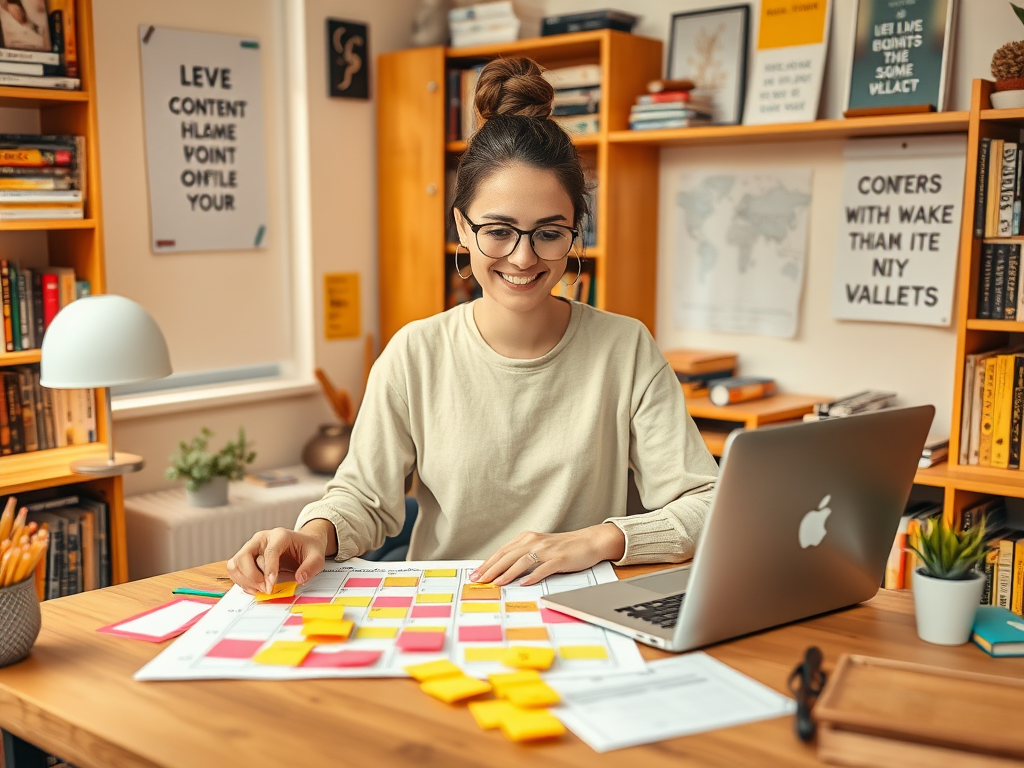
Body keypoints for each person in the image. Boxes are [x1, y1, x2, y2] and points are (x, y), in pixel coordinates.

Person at [227, 57, 718, 596]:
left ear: (575, 230)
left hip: (578, 609)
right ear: (462, 226)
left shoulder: (626, 349)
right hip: (445, 607)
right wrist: (314, 533)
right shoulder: (414, 352)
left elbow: (704, 504)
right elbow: (364, 498)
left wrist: (598, 539)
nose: (524, 257)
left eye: (550, 233)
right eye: (499, 231)